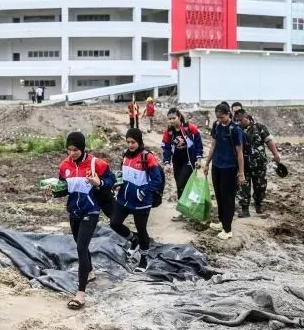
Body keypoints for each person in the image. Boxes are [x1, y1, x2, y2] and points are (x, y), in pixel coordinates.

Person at [56, 132, 116, 310]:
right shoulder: (64, 165)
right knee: (79, 243)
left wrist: (99, 182)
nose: (72, 153)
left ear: (82, 148)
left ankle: (80, 294)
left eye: (75, 149)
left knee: (81, 247)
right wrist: (53, 191)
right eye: (69, 149)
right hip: (74, 211)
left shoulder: (96, 163)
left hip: (91, 210)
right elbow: (63, 188)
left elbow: (111, 180)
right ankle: (89, 271)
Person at [111, 128, 164, 272]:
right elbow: (124, 173)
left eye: (133, 142)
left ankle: (144, 259)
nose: (130, 145)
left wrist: (143, 192)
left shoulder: (147, 157)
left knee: (141, 230)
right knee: (114, 223)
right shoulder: (125, 155)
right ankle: (132, 240)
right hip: (124, 198)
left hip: (141, 201)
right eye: (128, 142)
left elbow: (156, 179)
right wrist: (117, 181)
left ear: (139, 141)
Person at [203, 102, 245, 240]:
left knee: (228, 198)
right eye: (218, 117)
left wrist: (241, 173)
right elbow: (214, 145)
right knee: (219, 195)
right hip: (217, 166)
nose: (220, 120)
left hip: (229, 168)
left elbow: (239, 153)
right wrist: (207, 163)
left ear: (228, 114)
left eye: (222, 117)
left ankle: (228, 229)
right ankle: (221, 222)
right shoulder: (216, 126)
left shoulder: (235, 129)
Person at [234, 109, 281, 217]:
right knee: (243, 188)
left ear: (247, 117)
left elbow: (269, 141)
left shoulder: (259, 128)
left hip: (259, 164)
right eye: (237, 121)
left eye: (241, 120)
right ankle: (245, 209)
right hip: (243, 165)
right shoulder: (237, 130)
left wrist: (276, 154)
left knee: (260, 187)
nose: (239, 122)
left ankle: (258, 205)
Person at [161, 108, 204, 220]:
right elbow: (166, 148)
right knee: (180, 186)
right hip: (177, 161)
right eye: (169, 119)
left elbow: (198, 144)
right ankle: (184, 212)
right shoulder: (169, 132)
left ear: (179, 116)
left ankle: (189, 210)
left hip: (189, 161)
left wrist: (199, 159)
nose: (171, 121)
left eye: (173, 118)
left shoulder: (190, 128)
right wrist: (166, 163)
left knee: (183, 184)